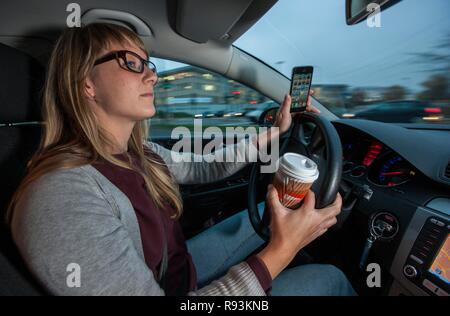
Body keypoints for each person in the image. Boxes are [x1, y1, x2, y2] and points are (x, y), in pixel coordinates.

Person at [8, 23, 355, 296]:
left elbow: (205, 166)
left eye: (149, 65)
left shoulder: (138, 153)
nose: (152, 76)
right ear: (86, 84)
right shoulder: (61, 197)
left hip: (177, 272)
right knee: (330, 278)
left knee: (271, 211)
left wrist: (277, 131)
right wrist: (283, 250)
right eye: (132, 63)